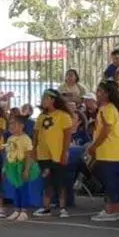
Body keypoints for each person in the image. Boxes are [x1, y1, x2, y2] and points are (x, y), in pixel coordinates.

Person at [87, 80, 119, 222]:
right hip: (106, 151)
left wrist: (94, 146)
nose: (98, 95)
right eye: (97, 91)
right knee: (109, 180)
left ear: (108, 94)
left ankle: (112, 210)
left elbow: (105, 131)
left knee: (110, 181)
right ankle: (113, 208)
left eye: (101, 92)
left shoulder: (108, 109)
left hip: (109, 151)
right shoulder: (105, 109)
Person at [34, 89, 75, 218]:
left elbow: (67, 136)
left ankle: (62, 208)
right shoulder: (41, 116)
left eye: (45, 98)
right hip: (43, 154)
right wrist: (34, 150)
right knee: (47, 181)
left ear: (52, 100)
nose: (42, 100)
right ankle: (46, 207)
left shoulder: (63, 116)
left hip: (57, 154)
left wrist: (64, 152)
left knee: (60, 181)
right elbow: (35, 135)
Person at [0, 115, 41, 221]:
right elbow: (7, 153)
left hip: (22, 165)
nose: (11, 126)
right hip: (12, 166)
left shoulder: (25, 139)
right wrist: (5, 167)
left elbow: (28, 155)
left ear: (21, 126)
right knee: (16, 189)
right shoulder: (10, 138)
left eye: (14, 124)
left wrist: (26, 169)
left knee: (23, 189)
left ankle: (24, 211)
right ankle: (16, 209)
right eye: (10, 124)